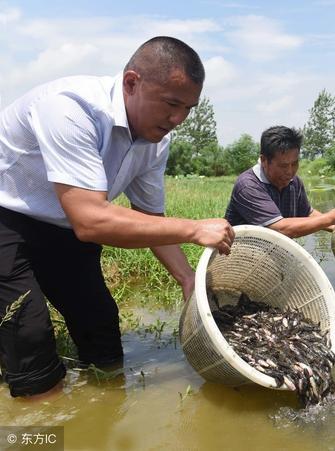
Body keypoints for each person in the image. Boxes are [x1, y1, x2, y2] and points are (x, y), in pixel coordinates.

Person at [0, 36, 235, 399]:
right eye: (172, 104)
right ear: (131, 83)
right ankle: (41, 430)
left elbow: (149, 215)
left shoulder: (157, 139)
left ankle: (103, 413)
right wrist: (193, 228)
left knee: (102, 331)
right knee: (28, 335)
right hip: (8, 219)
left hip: (64, 227)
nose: (178, 119)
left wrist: (187, 277)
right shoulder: (70, 108)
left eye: (188, 108)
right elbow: (91, 220)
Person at [224, 126, 335, 238]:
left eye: (295, 163)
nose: (290, 171)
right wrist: (330, 218)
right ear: (264, 160)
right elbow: (280, 229)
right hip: (240, 258)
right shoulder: (248, 185)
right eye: (283, 166)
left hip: (275, 253)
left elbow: (307, 213)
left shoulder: (294, 182)